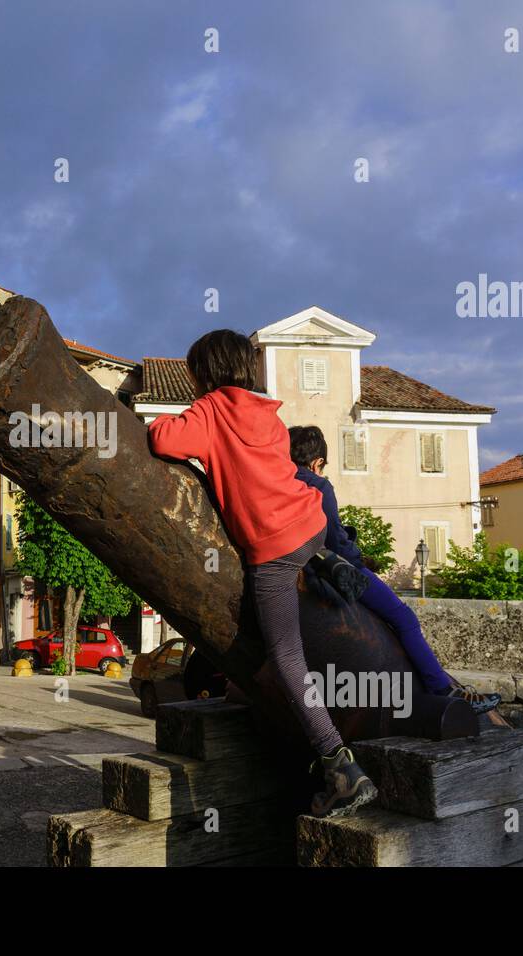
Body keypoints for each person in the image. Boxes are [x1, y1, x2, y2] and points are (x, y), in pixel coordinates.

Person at [148, 330, 378, 818]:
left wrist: (187, 414)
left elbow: (163, 438)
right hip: (310, 523)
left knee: (285, 658)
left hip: (272, 550)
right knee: (305, 551)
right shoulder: (268, 413)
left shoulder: (210, 411)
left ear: (203, 373)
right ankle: (325, 561)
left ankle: (340, 766)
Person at [287, 424, 500, 713]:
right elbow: (336, 541)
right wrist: (361, 560)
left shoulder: (280, 483)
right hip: (325, 570)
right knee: (404, 618)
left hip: (290, 568)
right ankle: (443, 689)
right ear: (318, 462)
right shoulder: (318, 485)